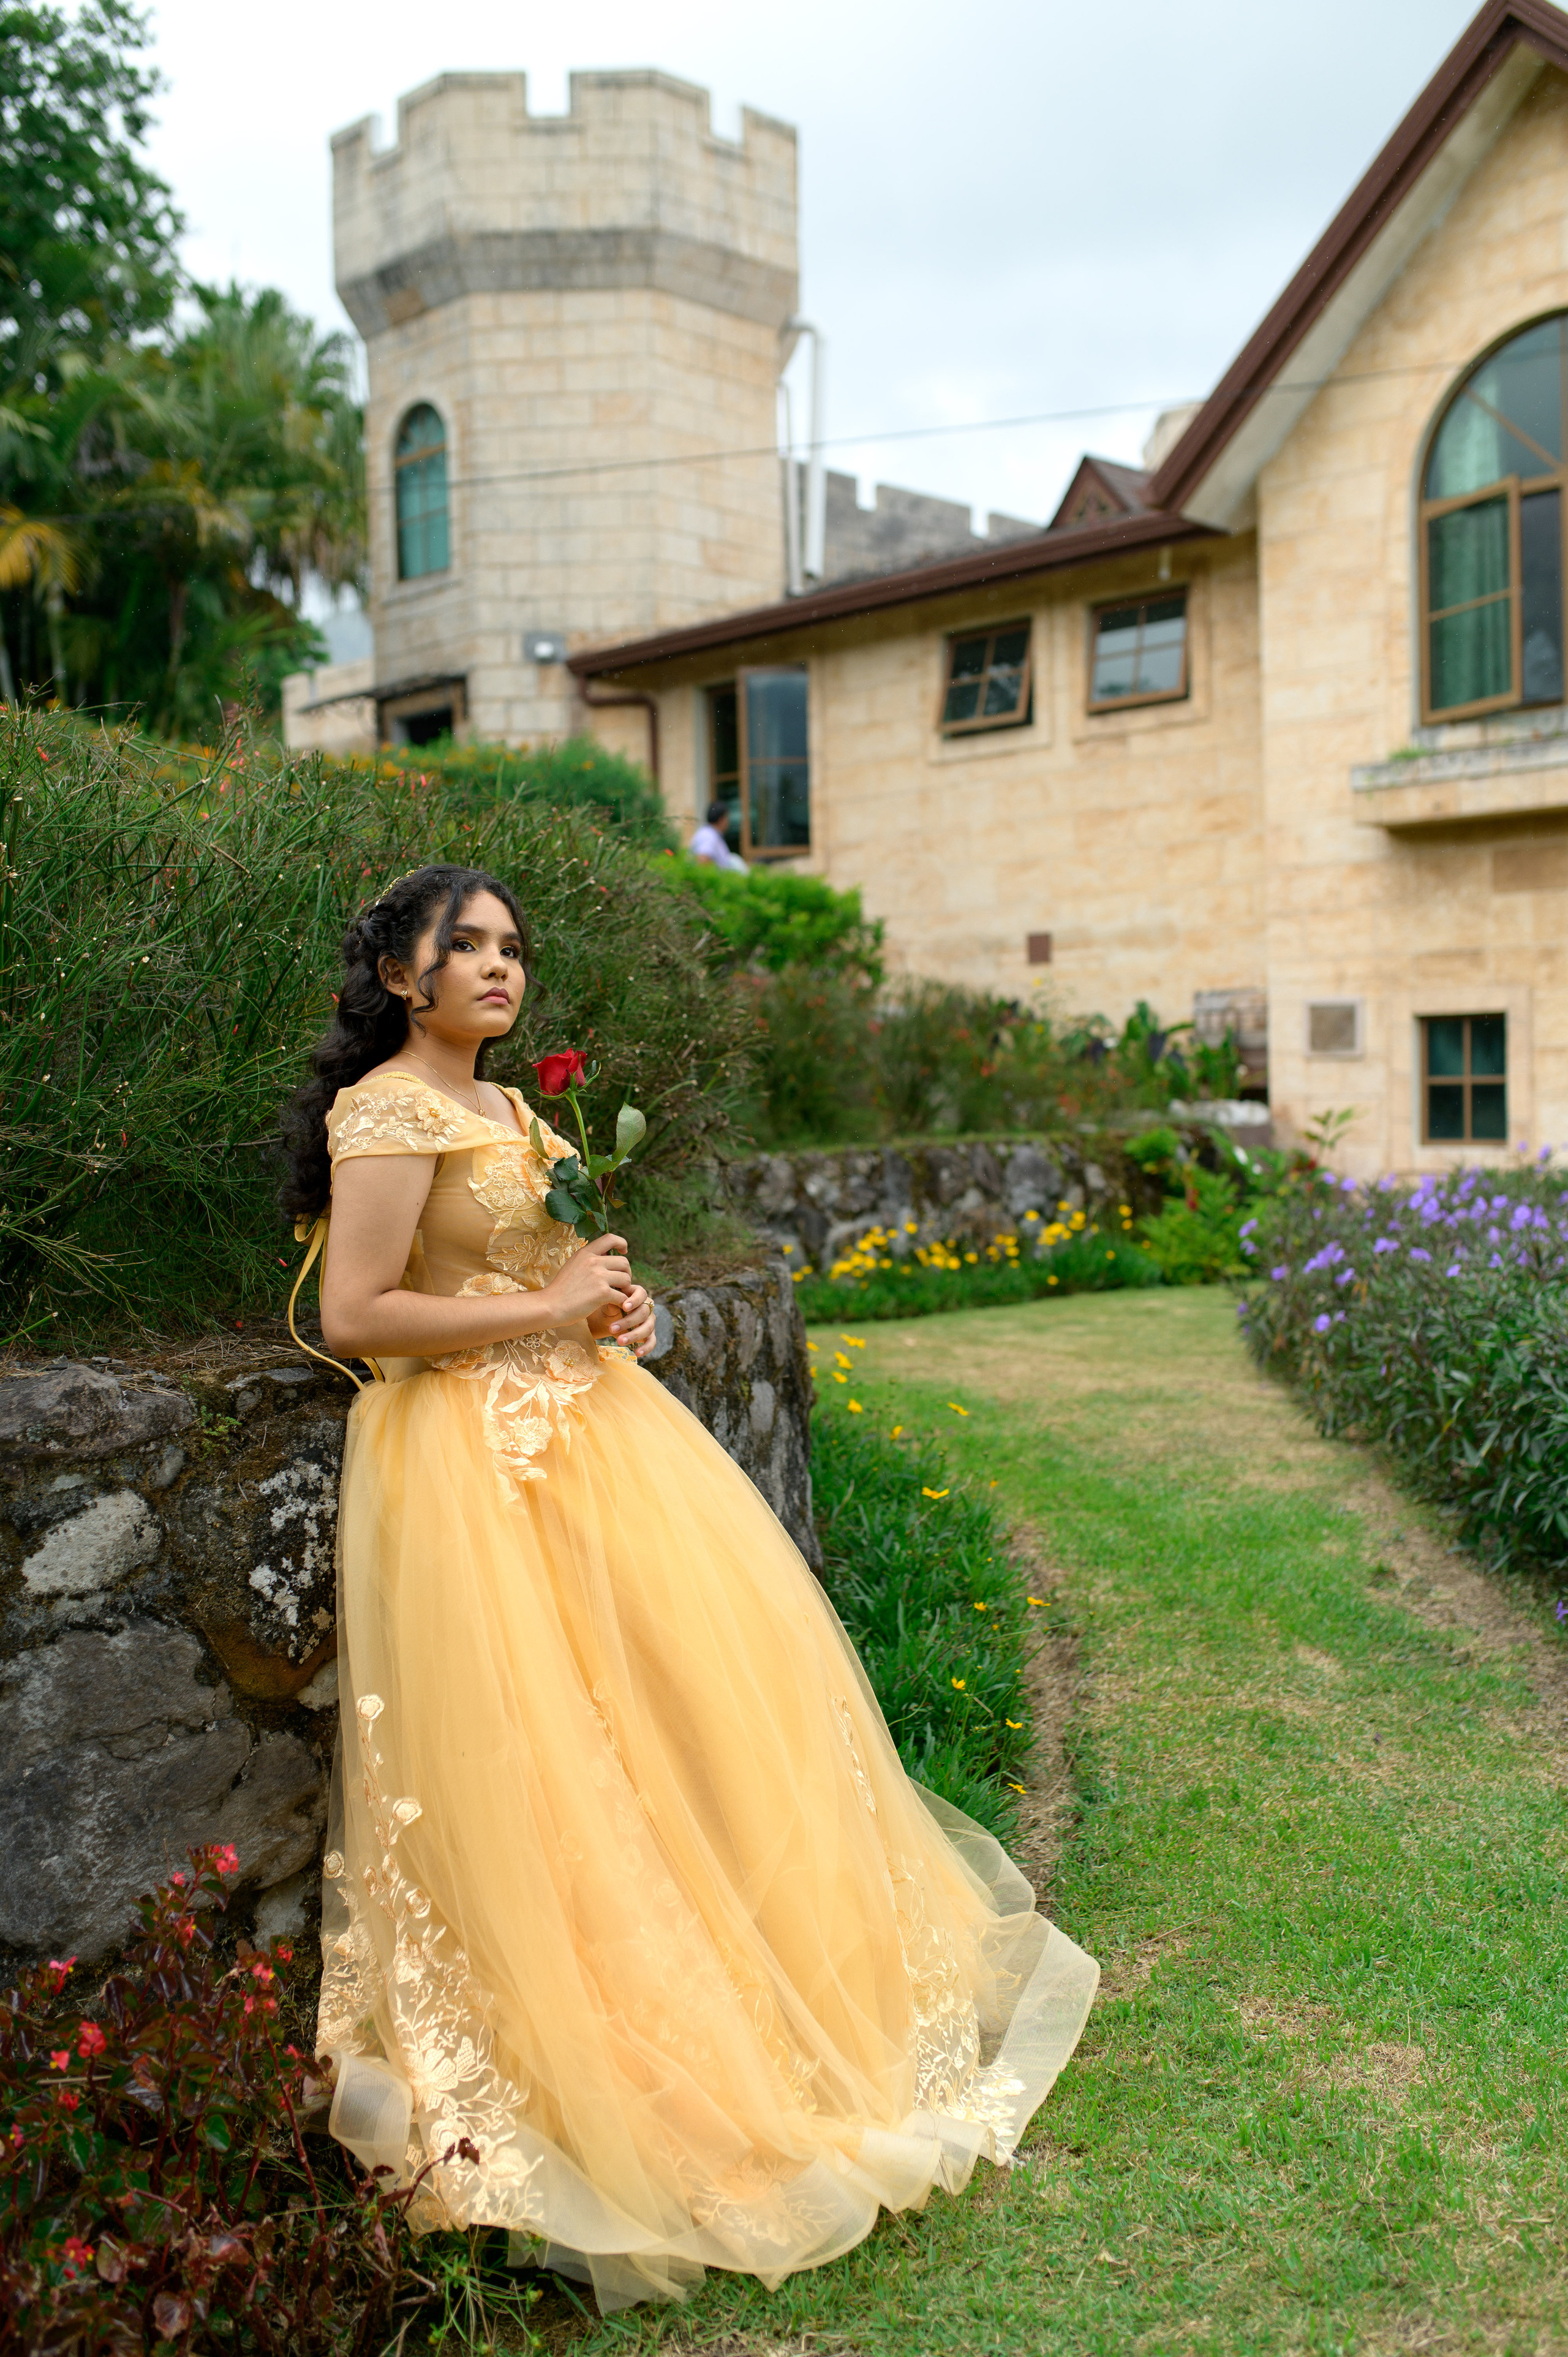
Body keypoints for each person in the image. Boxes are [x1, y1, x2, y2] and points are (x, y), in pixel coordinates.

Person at [279, 864, 1098, 2313]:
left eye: (511, 947)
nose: (495, 964)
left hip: (592, 1437)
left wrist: (617, 1302)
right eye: (461, 943)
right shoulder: (387, 1109)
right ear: (397, 972)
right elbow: (356, 1314)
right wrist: (544, 1307)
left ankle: (760, 2018)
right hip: (463, 1468)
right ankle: (596, 2075)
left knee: (667, 1728)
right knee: (540, 1764)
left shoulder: (512, 1110)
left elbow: (540, 1266)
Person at [688, 798, 747, 871]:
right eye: (727, 817)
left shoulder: (711, 833)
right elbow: (702, 860)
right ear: (721, 819)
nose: (728, 822)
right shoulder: (709, 835)